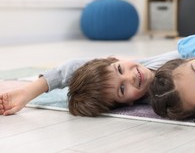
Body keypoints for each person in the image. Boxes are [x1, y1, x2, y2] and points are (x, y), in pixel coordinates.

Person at [0, 51, 180, 117]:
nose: (130, 77)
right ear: (128, 104)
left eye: (119, 69)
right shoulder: (162, 96)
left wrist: (28, 91)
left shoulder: (149, 64)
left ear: (115, 60)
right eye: (122, 89)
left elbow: (72, 67)